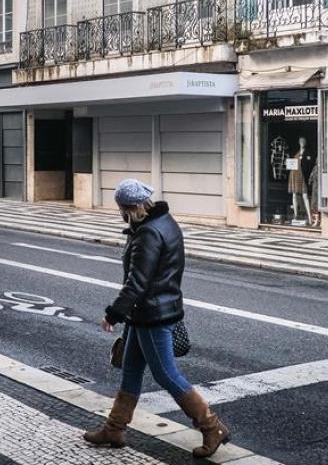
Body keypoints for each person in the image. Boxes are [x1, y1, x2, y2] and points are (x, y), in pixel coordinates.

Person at [84, 179, 230, 458]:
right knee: (131, 370)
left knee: (166, 374)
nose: (121, 214)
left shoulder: (148, 233)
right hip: (149, 310)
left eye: (122, 209)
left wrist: (113, 313)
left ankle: (212, 427)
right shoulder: (164, 222)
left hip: (152, 313)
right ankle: (114, 428)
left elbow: (137, 282)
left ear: (131, 207)